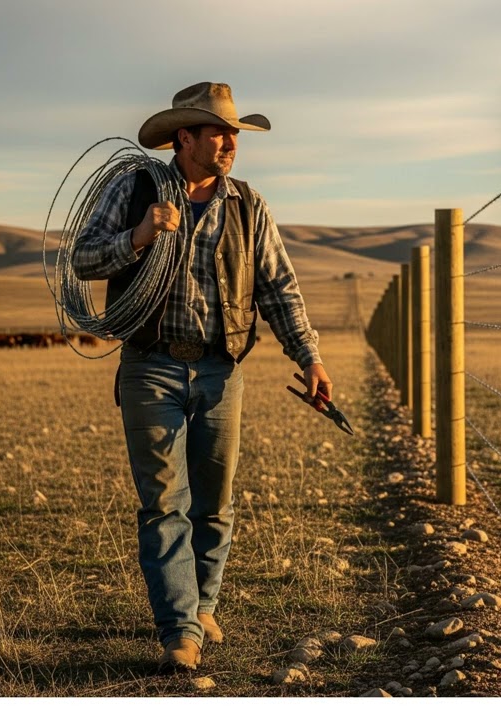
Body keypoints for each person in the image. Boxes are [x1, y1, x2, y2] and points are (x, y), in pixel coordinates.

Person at [72, 82, 332, 673]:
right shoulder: (134, 188)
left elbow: (277, 288)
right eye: (218, 131)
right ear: (183, 137)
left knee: (214, 503)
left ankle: (203, 603)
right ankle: (180, 630)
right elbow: (82, 258)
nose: (231, 142)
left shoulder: (247, 204)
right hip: (150, 364)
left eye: (235, 132)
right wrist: (137, 237)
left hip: (221, 369)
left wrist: (308, 357)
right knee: (164, 503)